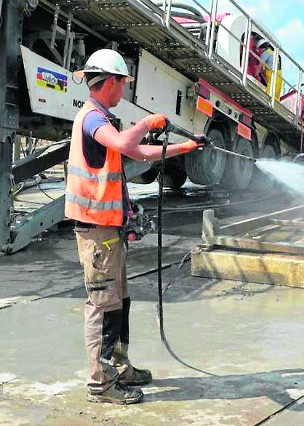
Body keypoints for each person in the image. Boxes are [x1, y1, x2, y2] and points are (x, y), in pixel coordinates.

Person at [66, 48, 202, 405]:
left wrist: (184, 147)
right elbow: (129, 142)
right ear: (109, 82)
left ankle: (118, 365)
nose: (123, 90)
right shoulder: (93, 119)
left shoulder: (103, 118)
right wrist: (150, 122)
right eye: (122, 84)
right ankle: (101, 383)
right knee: (101, 305)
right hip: (95, 231)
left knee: (119, 301)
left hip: (108, 230)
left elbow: (138, 153)